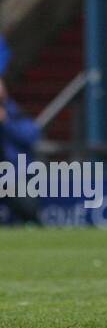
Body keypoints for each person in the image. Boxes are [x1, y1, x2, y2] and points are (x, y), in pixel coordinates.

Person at [0, 77, 41, 225]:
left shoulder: (14, 112)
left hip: (14, 174)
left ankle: (32, 224)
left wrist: (6, 122)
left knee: (28, 209)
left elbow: (31, 136)